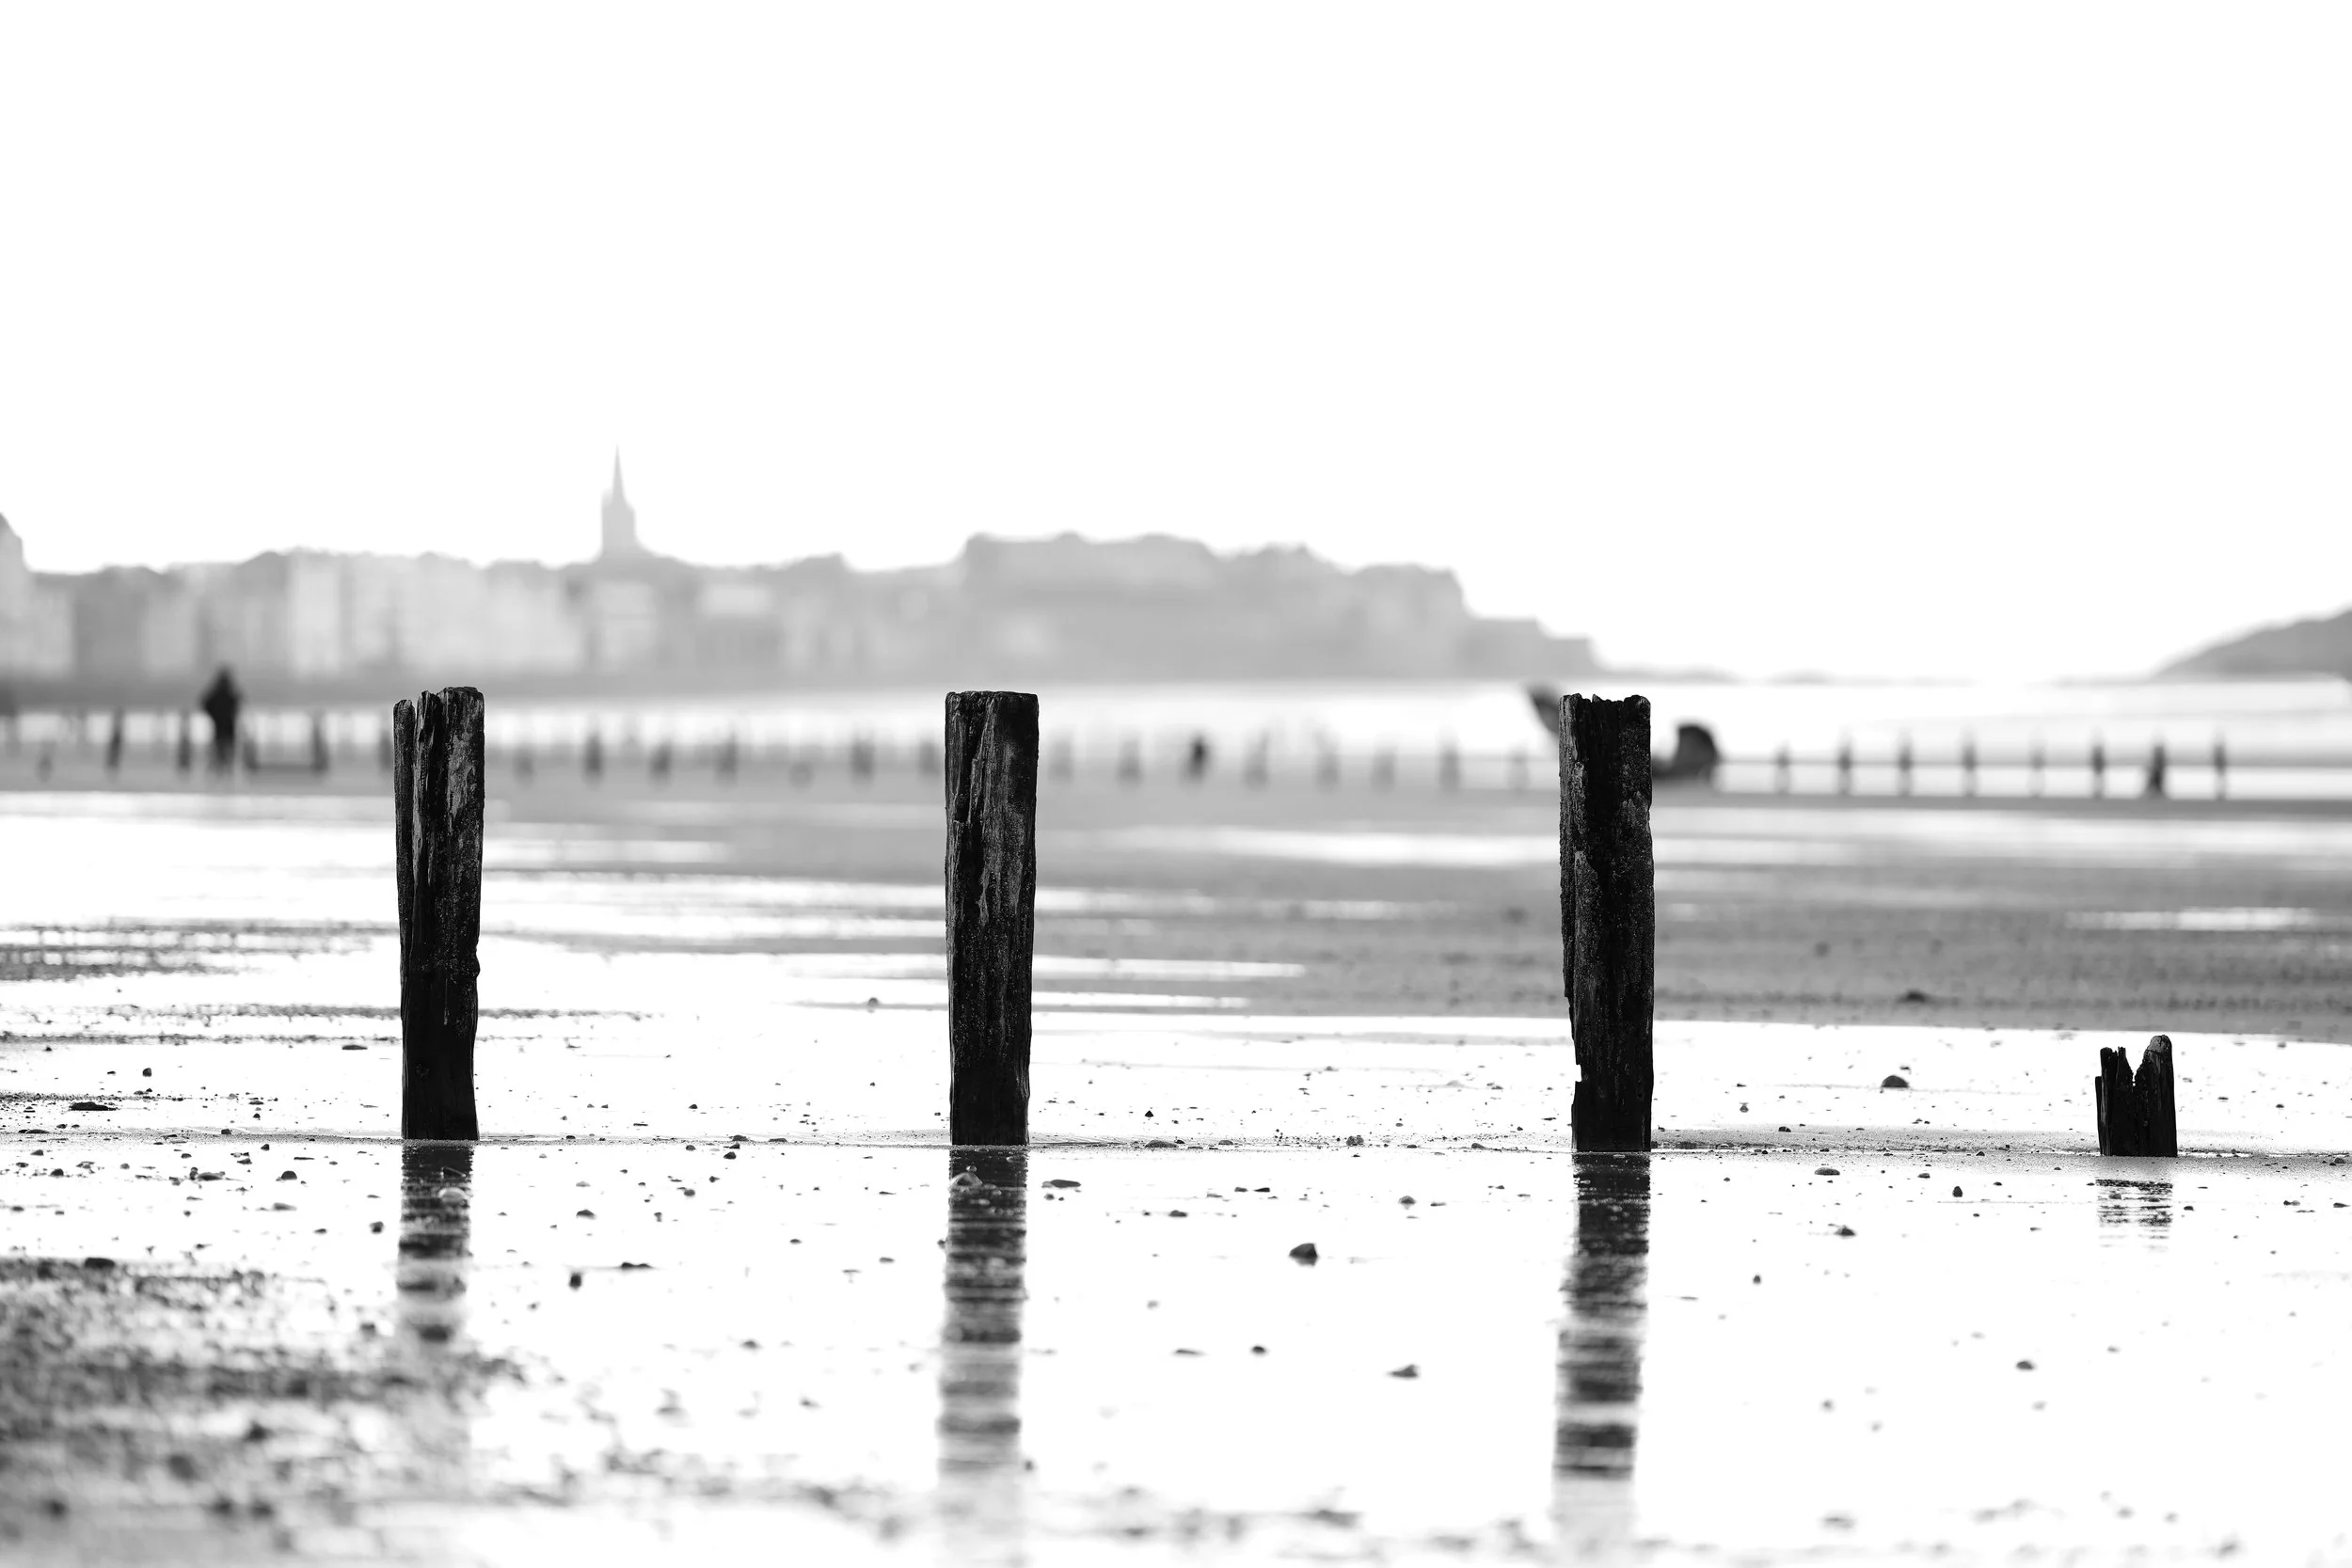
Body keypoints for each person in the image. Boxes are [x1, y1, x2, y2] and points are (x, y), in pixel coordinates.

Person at [199, 666, 243, 773]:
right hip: (228, 727)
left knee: (218, 750)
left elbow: (204, 704)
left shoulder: (215, 693)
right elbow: (237, 705)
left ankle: (218, 770)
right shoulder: (231, 693)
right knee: (227, 751)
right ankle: (226, 770)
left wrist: (213, 716)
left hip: (218, 726)